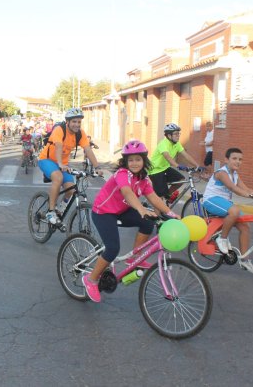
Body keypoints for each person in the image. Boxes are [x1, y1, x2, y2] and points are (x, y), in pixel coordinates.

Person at [82, 140, 177, 303]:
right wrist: (141, 210)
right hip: (104, 212)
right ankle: (91, 280)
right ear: (125, 162)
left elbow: (153, 197)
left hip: (122, 211)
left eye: (138, 159)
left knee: (148, 223)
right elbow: (127, 192)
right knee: (112, 249)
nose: (134, 163)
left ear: (144, 160)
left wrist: (170, 213)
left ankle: (134, 257)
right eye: (130, 160)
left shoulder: (144, 179)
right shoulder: (122, 174)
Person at [202, 148, 253, 274]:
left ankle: (244, 259)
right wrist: (250, 196)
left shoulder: (235, 175)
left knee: (245, 226)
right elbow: (233, 188)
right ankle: (222, 238)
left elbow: (246, 189)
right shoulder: (221, 172)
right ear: (226, 160)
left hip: (224, 203)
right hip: (211, 200)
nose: (238, 162)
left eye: (240, 159)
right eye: (234, 158)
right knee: (235, 210)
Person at [38, 107, 103, 225]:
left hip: (62, 164)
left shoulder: (80, 133)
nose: (77, 124)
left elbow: (87, 149)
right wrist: (60, 164)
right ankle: (51, 211)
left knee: (71, 189)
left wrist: (97, 167)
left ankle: (60, 210)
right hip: (46, 160)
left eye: (79, 122)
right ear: (67, 122)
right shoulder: (59, 130)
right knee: (58, 178)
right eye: (74, 121)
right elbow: (58, 146)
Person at [149, 123, 201, 202]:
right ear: (169, 136)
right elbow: (167, 157)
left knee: (181, 179)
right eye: (175, 134)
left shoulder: (177, 144)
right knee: (160, 197)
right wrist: (178, 166)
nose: (178, 135)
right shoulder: (163, 144)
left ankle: (167, 195)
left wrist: (197, 166)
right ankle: (158, 211)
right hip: (155, 170)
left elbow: (186, 155)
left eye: (178, 133)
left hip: (165, 168)